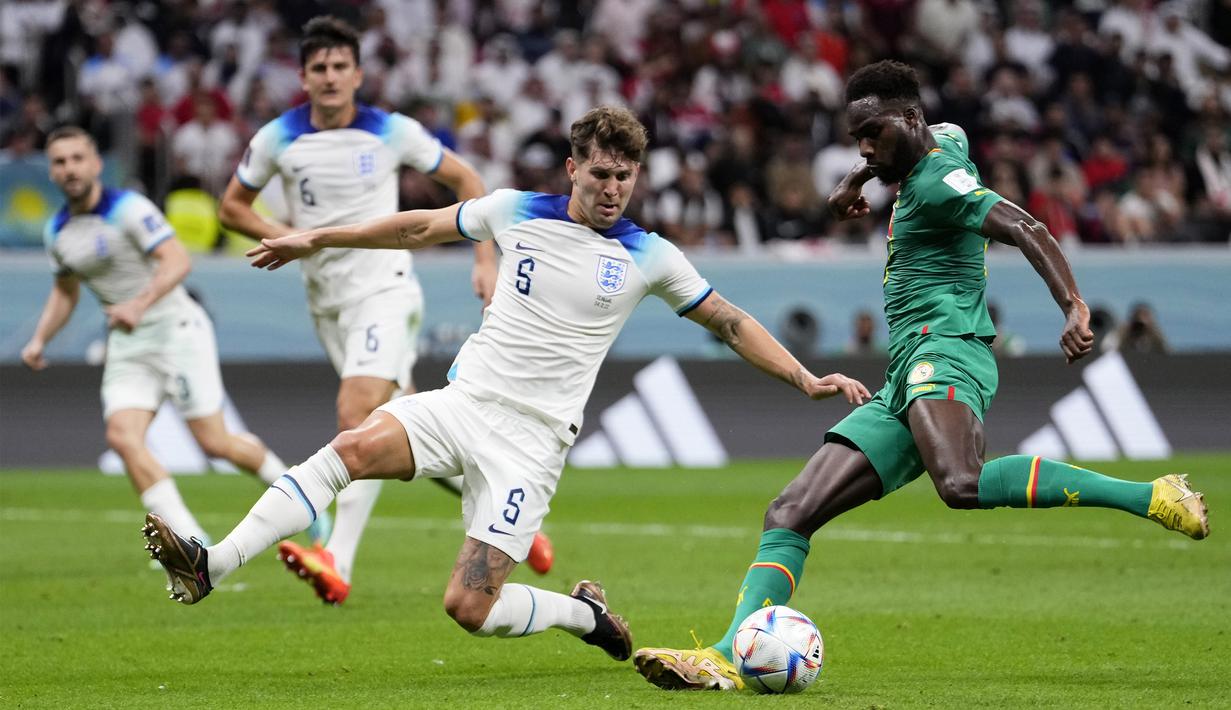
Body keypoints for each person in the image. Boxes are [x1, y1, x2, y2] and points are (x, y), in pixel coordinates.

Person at [141, 106, 870, 665]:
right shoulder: (515, 210)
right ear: (572, 169)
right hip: (463, 404)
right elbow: (419, 227)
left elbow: (731, 322)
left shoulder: (649, 255)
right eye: (600, 174)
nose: (612, 188)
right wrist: (317, 237)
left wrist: (806, 378)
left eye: (625, 176)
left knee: (468, 607)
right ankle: (213, 565)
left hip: (532, 444)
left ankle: (583, 615)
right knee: (351, 447)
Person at [632, 61, 1210, 691]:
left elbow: (1025, 226)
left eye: (872, 135)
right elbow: (943, 131)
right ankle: (724, 657)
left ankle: (1152, 495)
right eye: (857, 138)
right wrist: (855, 179)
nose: (864, 148)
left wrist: (1073, 305)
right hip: (906, 370)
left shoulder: (938, 183)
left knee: (960, 481)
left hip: (949, 350)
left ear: (909, 120)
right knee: (789, 512)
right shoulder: (941, 142)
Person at [216, 16, 552, 605]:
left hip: (385, 290)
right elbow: (231, 208)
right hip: (327, 301)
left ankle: (336, 559)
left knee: (358, 411)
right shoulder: (278, 137)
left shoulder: (391, 131)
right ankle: (510, 510)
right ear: (303, 77)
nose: (330, 77)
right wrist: (287, 235)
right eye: (319, 68)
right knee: (406, 428)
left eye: (340, 66)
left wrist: (485, 259)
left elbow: (466, 179)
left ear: (358, 74)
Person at [22, 125, 298, 548]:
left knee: (216, 443)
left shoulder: (129, 209)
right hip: (128, 342)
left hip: (176, 330)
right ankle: (191, 540)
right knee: (122, 437)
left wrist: (138, 303)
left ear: (95, 164)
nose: (70, 168)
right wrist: (40, 339)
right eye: (60, 162)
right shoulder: (57, 231)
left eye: (77, 158)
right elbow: (66, 290)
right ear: (51, 172)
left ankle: (298, 499)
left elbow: (177, 261)